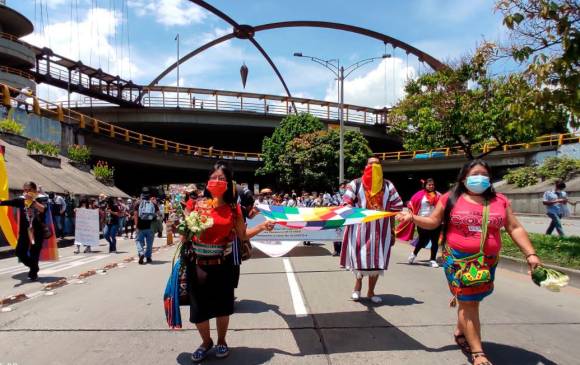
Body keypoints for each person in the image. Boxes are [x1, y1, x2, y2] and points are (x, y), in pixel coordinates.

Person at [397, 159, 541, 365]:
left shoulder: (500, 201)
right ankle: (478, 352)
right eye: (475, 174)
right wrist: (413, 217)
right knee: (469, 302)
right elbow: (433, 222)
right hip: (458, 261)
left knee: (474, 300)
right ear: (464, 178)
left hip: (488, 262)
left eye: (484, 174)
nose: (480, 178)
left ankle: (460, 331)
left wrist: (531, 255)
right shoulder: (450, 198)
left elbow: (514, 228)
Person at [184, 162, 273, 362]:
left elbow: (242, 235)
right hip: (197, 264)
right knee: (199, 310)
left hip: (222, 265)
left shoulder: (234, 209)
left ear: (229, 183)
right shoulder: (196, 205)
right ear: (207, 181)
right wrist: (180, 229)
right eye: (213, 177)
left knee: (222, 307)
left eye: (221, 178)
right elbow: (186, 234)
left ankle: (222, 341)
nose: (216, 181)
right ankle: (206, 342)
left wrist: (262, 227)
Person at [340, 157, 403, 303]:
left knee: (377, 260)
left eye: (377, 164)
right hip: (359, 230)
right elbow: (345, 203)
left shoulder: (388, 185)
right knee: (360, 259)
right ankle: (357, 288)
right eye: (370, 163)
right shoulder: (355, 184)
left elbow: (396, 207)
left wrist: (393, 231)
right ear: (365, 166)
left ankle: (371, 292)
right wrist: (353, 211)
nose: (374, 166)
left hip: (382, 231)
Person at [0, 181, 48, 280]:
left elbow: (43, 209)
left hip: (37, 231)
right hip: (24, 231)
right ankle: (34, 267)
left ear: (34, 190)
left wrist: (33, 201)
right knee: (19, 252)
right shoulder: (21, 200)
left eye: (29, 190)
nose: (26, 192)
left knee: (34, 252)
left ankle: (33, 273)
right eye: (25, 190)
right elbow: (8, 202)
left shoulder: (41, 198)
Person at [402, 178, 442, 268]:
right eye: (429, 185)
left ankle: (432, 259)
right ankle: (414, 254)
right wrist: (411, 213)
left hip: (435, 221)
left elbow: (443, 205)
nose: (431, 186)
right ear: (425, 185)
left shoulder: (439, 195)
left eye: (432, 185)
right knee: (422, 241)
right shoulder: (420, 194)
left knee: (434, 241)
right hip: (422, 220)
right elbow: (411, 203)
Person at [135, 187, 157, 264]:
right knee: (149, 243)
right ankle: (148, 257)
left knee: (138, 241)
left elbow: (135, 215)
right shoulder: (153, 203)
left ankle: (141, 253)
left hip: (140, 226)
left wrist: (136, 226)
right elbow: (158, 215)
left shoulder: (138, 203)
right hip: (150, 226)